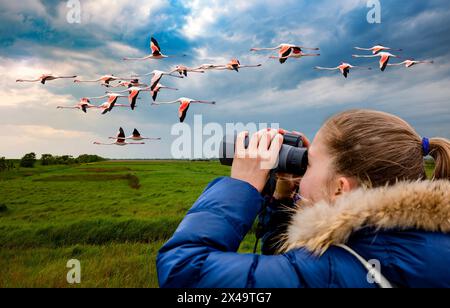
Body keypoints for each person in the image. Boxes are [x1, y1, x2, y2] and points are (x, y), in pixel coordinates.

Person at [157, 109, 450, 288]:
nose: (300, 171)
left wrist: (241, 186)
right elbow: (288, 266)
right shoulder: (420, 244)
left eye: (307, 163)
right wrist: (282, 198)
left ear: (340, 188)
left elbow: (183, 274)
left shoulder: (328, 270)